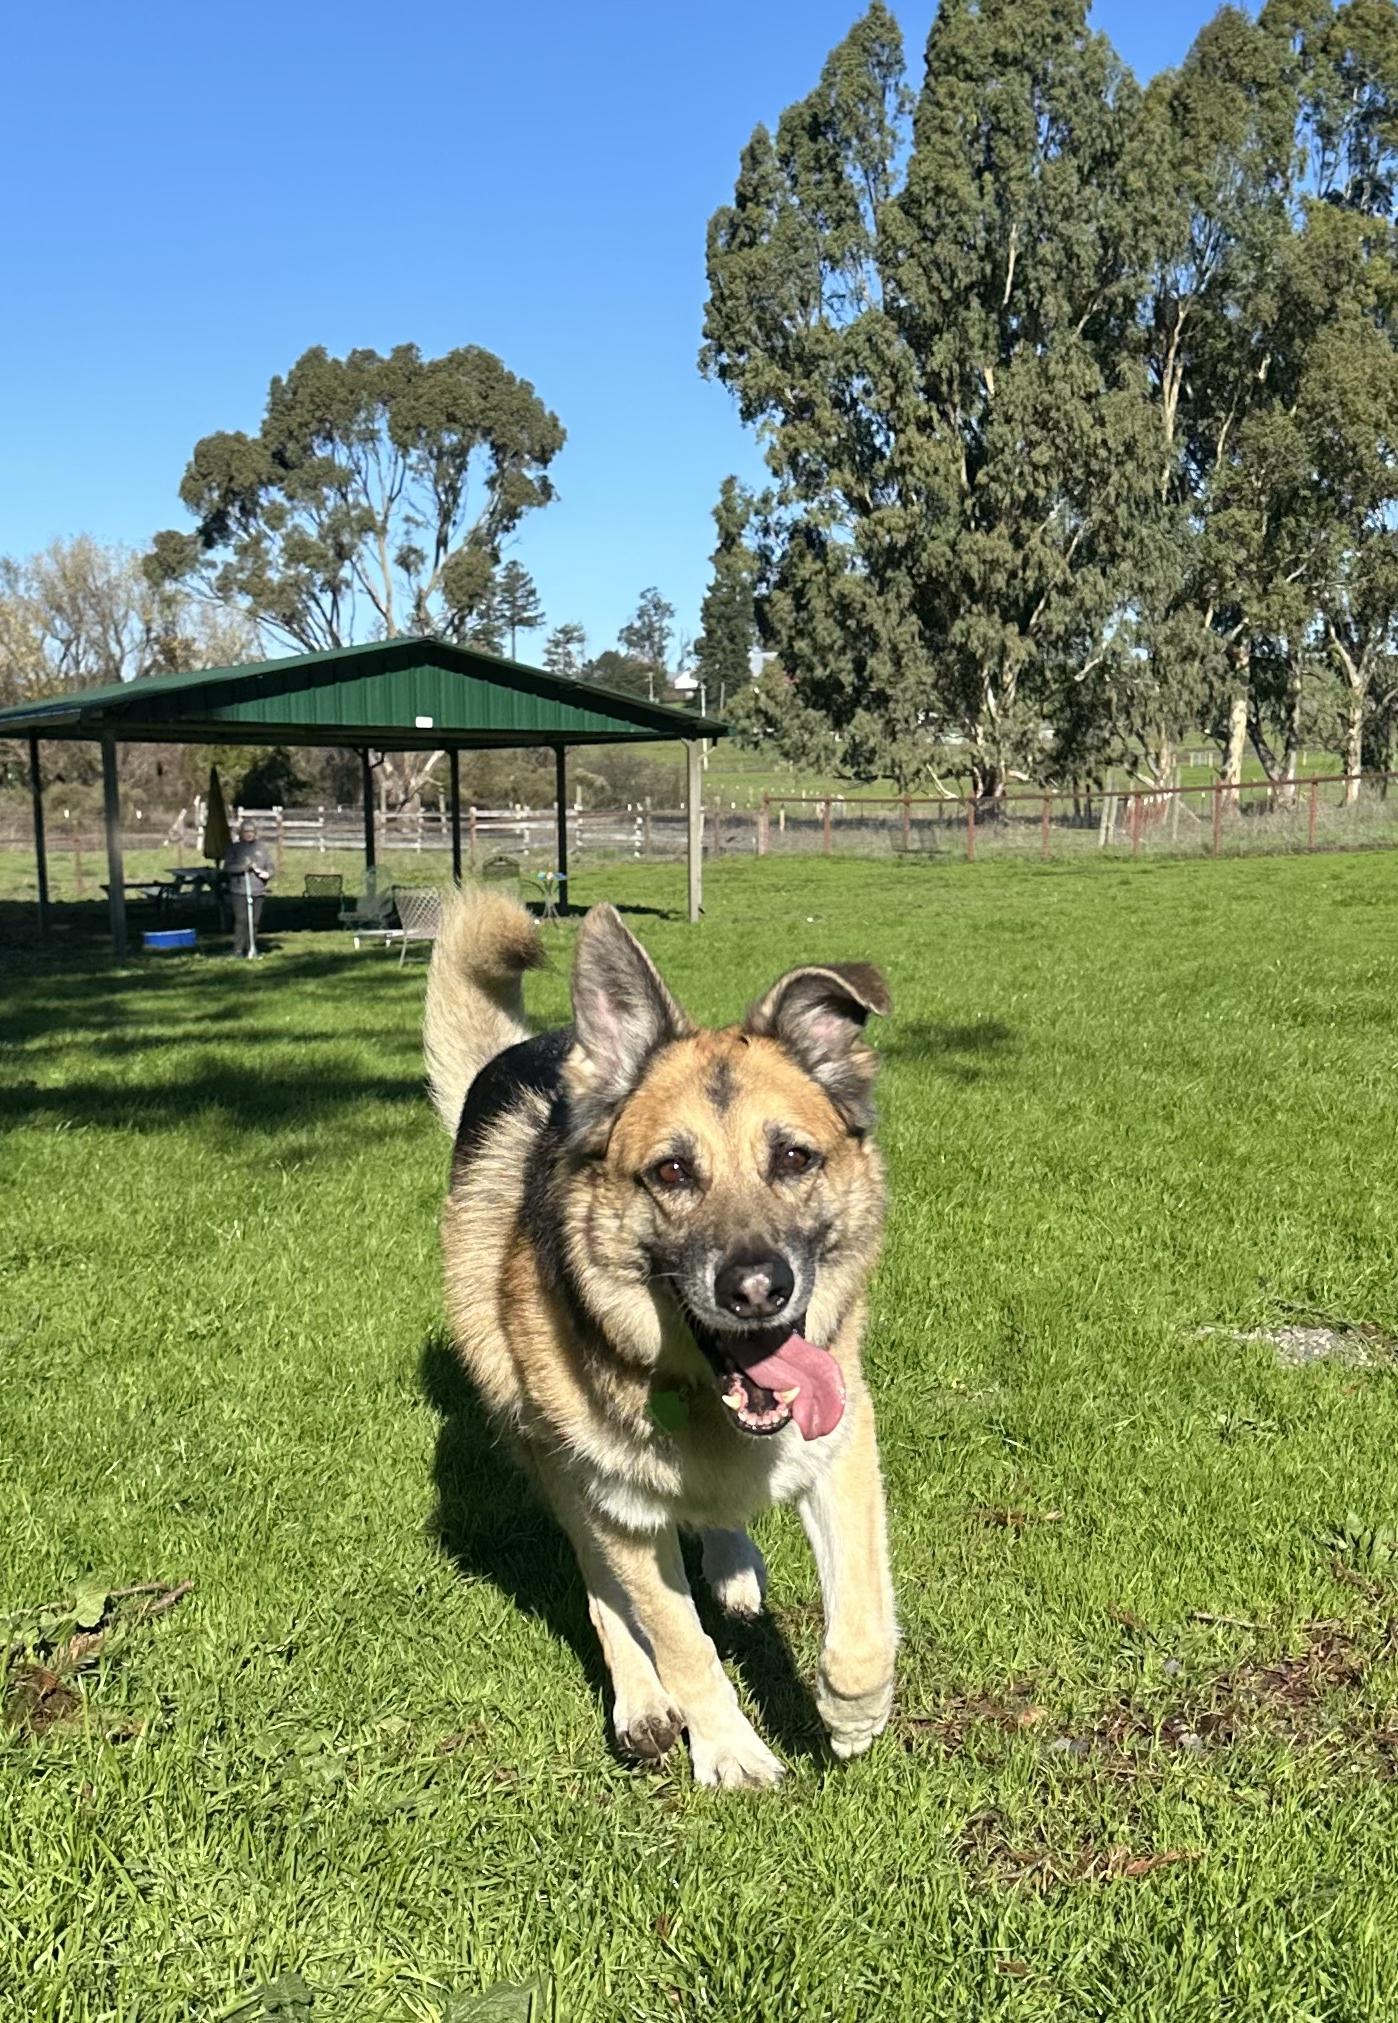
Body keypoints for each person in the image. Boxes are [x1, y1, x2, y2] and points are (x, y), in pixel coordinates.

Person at [224, 819, 274, 958]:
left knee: (255, 921)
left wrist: (268, 874)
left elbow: (270, 866)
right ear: (241, 833)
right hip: (240, 890)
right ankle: (238, 950)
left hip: (258, 890)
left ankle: (252, 947)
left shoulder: (262, 848)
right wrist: (243, 868)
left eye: (251, 831)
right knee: (242, 920)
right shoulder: (234, 848)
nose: (249, 834)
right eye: (246, 832)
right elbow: (228, 867)